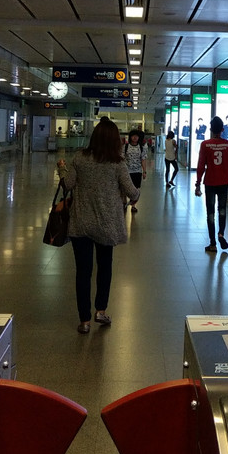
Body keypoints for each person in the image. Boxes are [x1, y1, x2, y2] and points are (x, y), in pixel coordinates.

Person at [57, 118, 139, 334]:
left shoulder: (80, 158)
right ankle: (100, 311)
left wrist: (62, 169)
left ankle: (84, 321)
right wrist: (135, 195)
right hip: (106, 224)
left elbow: (68, 184)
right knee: (104, 267)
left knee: (83, 272)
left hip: (81, 222)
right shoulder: (117, 162)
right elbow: (132, 192)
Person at [195, 115, 228, 254]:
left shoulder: (205, 145)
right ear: (222, 129)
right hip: (224, 182)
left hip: (210, 182)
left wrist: (197, 183)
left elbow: (201, 165)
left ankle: (212, 243)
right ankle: (221, 234)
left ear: (211, 129)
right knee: (222, 210)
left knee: (210, 213)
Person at [123, 128, 148, 213]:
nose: (134, 137)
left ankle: (133, 205)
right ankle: (124, 202)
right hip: (127, 171)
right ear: (130, 137)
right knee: (125, 188)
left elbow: (143, 160)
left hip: (137, 172)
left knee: (135, 189)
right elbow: (122, 159)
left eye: (136, 136)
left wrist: (144, 171)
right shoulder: (125, 147)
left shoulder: (141, 147)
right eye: (133, 136)